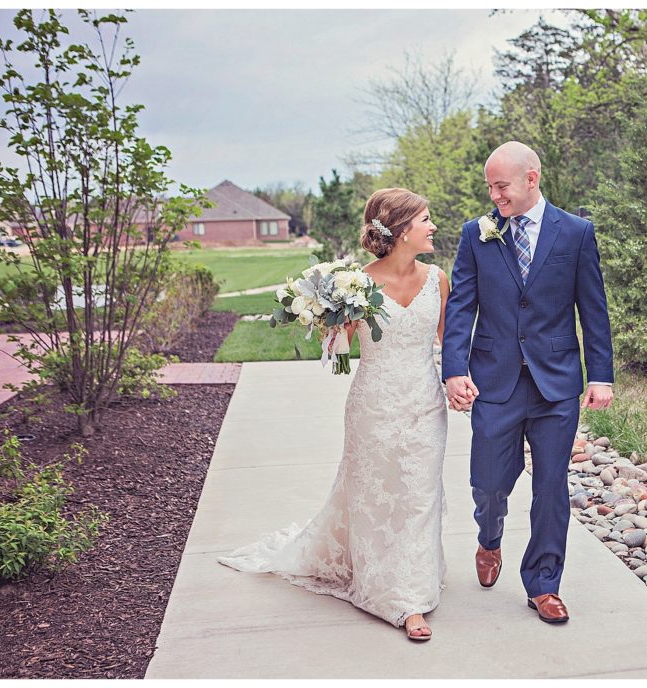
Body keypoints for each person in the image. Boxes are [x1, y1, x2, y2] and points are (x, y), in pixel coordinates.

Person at [218, 188, 449, 642]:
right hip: (374, 405)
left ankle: (415, 585)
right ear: (401, 231)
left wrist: (467, 381)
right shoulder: (356, 284)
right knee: (376, 496)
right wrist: (324, 315)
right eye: (424, 219)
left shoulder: (439, 278)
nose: (432, 226)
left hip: (424, 403)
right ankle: (394, 597)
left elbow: (452, 343)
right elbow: (336, 350)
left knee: (421, 495)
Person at [442, 141, 614, 623]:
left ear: (531, 178)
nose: (495, 196)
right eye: (490, 187)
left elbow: (592, 308)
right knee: (490, 483)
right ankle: (489, 537)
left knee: (552, 487)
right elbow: (461, 307)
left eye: (502, 186)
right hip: (495, 381)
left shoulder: (576, 233)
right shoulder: (477, 234)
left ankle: (544, 583)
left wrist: (600, 374)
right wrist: (455, 370)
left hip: (556, 383)